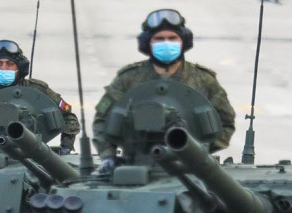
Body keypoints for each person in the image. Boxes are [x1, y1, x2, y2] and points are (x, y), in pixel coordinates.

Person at [93, 9, 237, 157]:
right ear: (147, 43)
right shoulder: (128, 79)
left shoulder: (203, 79)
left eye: (173, 38)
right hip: (137, 160)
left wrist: (200, 150)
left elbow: (226, 122)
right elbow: (102, 120)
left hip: (191, 162)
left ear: (184, 42)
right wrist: (108, 156)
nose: (166, 43)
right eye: (159, 39)